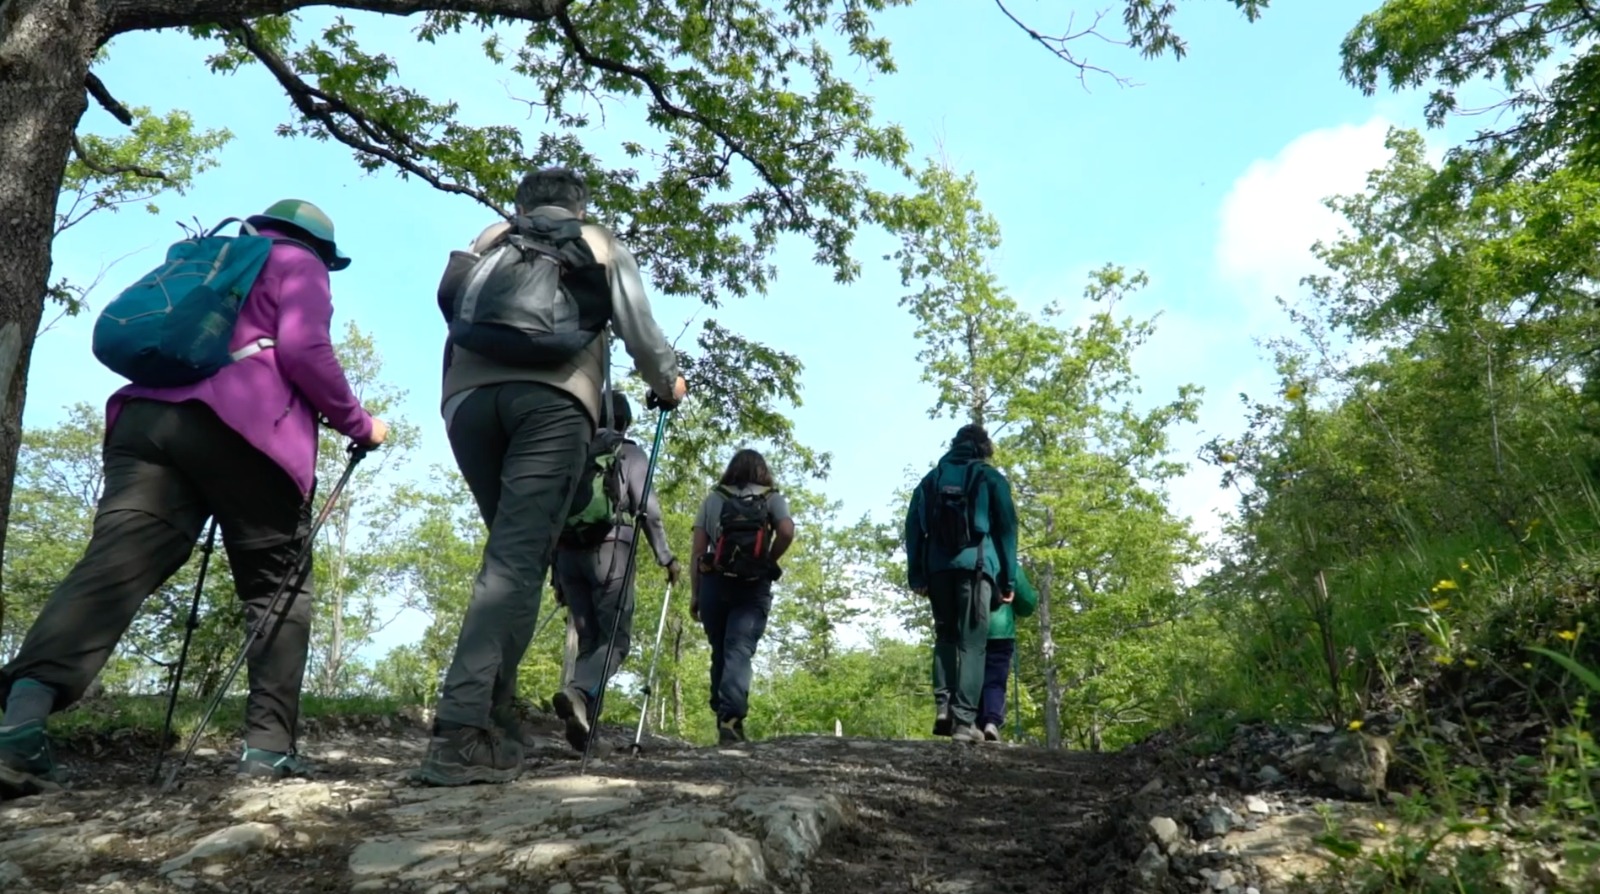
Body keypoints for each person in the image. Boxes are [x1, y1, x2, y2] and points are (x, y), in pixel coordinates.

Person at [0, 199, 388, 799]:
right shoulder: (299, 263)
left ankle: (20, 721)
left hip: (147, 421)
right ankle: (267, 750)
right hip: (246, 431)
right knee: (276, 589)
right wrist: (360, 424)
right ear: (320, 249)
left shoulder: (206, 260)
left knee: (113, 569)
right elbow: (304, 350)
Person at [421, 167, 686, 786]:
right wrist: (666, 383)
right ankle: (461, 731)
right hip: (553, 401)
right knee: (515, 562)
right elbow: (641, 333)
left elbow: (451, 307)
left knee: (513, 562)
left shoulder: (489, 236)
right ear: (579, 204)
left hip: (465, 404)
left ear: (522, 203)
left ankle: (495, 725)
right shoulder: (597, 242)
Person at [549, 391, 681, 752]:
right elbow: (648, 511)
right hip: (612, 552)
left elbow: (552, 512)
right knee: (616, 643)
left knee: (591, 643)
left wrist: (555, 575)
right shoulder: (629, 452)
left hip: (566, 554)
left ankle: (584, 731)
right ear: (625, 421)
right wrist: (666, 558)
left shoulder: (571, 451)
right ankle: (577, 693)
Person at [904, 423, 1019, 744]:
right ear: (984, 449)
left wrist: (917, 574)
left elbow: (913, 527)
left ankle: (943, 706)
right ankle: (965, 721)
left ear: (955, 445)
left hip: (938, 570)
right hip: (977, 569)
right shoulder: (990, 478)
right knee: (973, 643)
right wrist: (1007, 578)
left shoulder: (932, 480)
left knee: (945, 637)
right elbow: (1008, 529)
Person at [691, 449, 794, 744]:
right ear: (763, 472)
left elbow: (698, 551)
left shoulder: (713, 499)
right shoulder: (771, 498)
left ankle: (721, 714)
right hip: (752, 584)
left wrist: (696, 594)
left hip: (714, 582)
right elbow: (786, 531)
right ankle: (731, 718)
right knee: (740, 648)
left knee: (720, 650)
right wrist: (768, 560)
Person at [978, 564, 1037, 743]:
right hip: (1000, 631)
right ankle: (991, 722)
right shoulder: (1007, 562)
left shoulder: (969, 557)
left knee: (971, 676)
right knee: (995, 681)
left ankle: (969, 722)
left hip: (970, 630)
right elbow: (1027, 604)